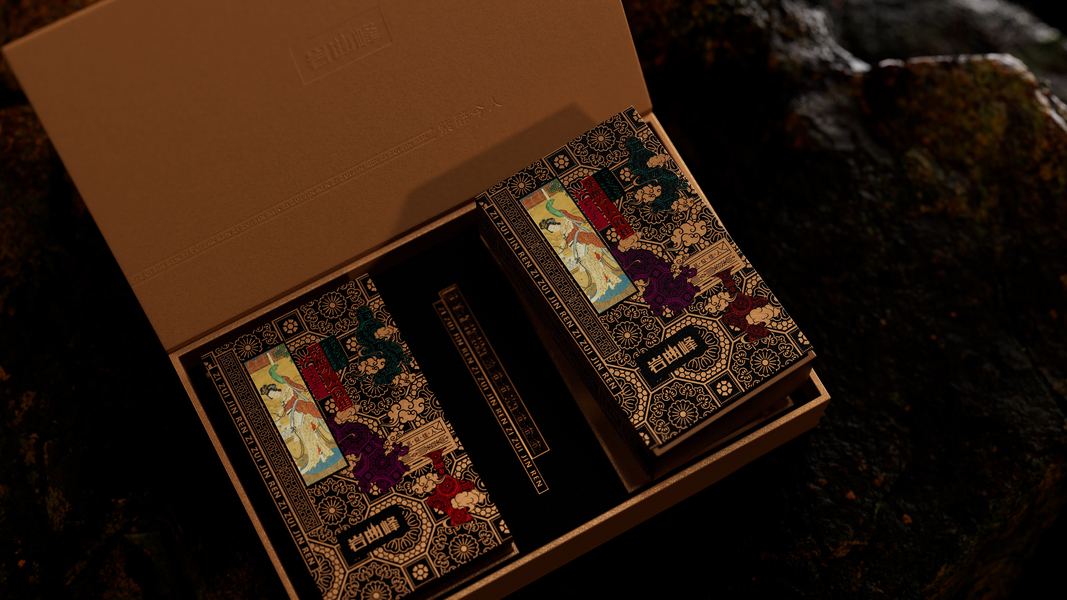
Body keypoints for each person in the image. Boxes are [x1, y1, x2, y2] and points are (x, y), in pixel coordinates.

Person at [538, 196, 625, 302]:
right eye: (552, 230)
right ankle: (608, 282)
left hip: (583, 243)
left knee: (596, 265)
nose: (554, 229)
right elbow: (565, 244)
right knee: (594, 268)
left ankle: (608, 280)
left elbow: (563, 215)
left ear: (555, 223)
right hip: (577, 250)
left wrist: (550, 208)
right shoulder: (562, 233)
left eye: (553, 227)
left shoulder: (566, 222)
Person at [259, 365, 336, 475]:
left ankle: (323, 452)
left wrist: (274, 374)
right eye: (272, 396)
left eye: (274, 393)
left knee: (313, 434)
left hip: (302, 411)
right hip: (295, 420)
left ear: (276, 389)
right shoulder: (282, 400)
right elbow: (286, 412)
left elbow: (287, 383)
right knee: (308, 439)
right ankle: (320, 455)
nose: (275, 395)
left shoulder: (287, 389)